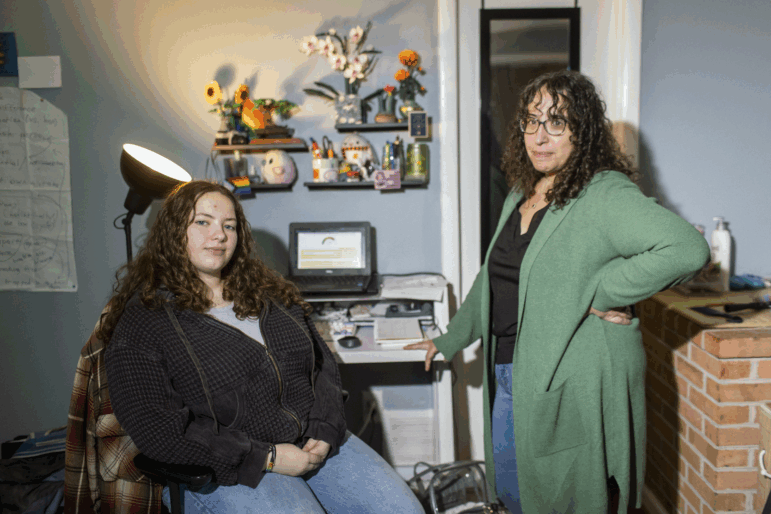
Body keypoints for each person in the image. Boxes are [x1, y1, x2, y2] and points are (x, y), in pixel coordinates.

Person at [406, 70, 709, 513]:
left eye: (557, 122)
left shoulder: (603, 193)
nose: (539, 136)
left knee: (564, 499)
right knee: (513, 493)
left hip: (569, 375)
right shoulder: (521, 193)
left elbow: (686, 248)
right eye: (531, 121)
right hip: (510, 369)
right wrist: (450, 338)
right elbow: (492, 278)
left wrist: (603, 290)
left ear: (582, 132)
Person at [78, 180, 424, 513]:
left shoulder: (269, 292)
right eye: (203, 222)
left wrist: (325, 427)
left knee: (404, 510)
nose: (219, 235)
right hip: (231, 464)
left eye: (229, 226)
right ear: (173, 231)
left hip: (312, 440)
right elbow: (161, 430)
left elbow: (322, 367)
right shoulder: (145, 320)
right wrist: (268, 457)